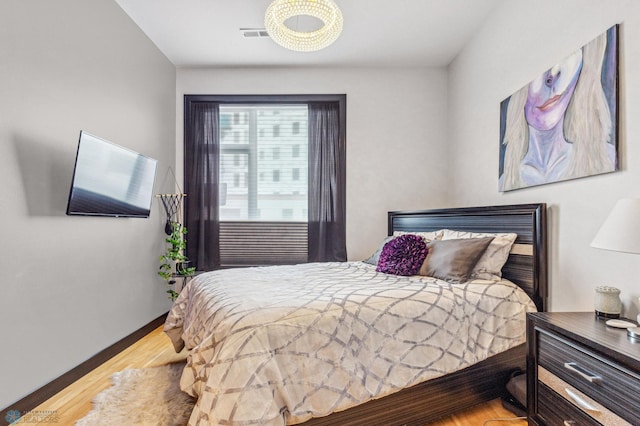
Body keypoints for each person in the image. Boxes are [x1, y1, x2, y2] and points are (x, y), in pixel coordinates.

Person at [500, 29, 616, 191]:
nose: (553, 75)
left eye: (570, 54)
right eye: (537, 66)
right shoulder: (506, 181)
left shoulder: (608, 159)